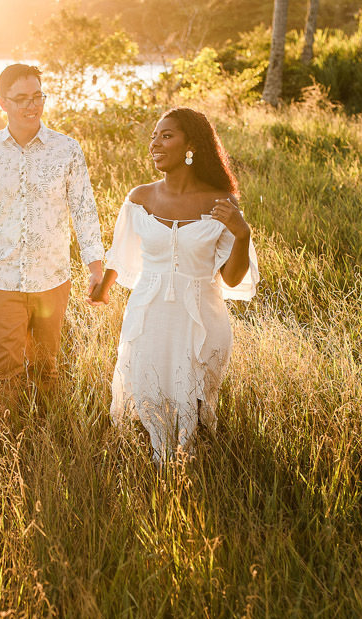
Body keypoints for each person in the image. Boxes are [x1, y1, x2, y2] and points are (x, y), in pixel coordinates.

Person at [90, 107, 258, 464]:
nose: (155, 143)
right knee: (148, 390)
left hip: (201, 314)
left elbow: (231, 278)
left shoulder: (222, 202)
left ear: (191, 146)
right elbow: (120, 253)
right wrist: (102, 289)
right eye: (153, 136)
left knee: (194, 398)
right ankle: (158, 466)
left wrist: (242, 234)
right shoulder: (140, 197)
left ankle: (192, 467)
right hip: (149, 312)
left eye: (166, 136)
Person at [0, 63, 106, 419]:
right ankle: (10, 452)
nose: (31, 105)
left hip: (52, 280)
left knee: (47, 370)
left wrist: (95, 269)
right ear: (3, 103)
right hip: (1, 279)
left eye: (37, 96)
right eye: (20, 98)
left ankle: (49, 442)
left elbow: (85, 210)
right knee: (4, 377)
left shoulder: (67, 150)